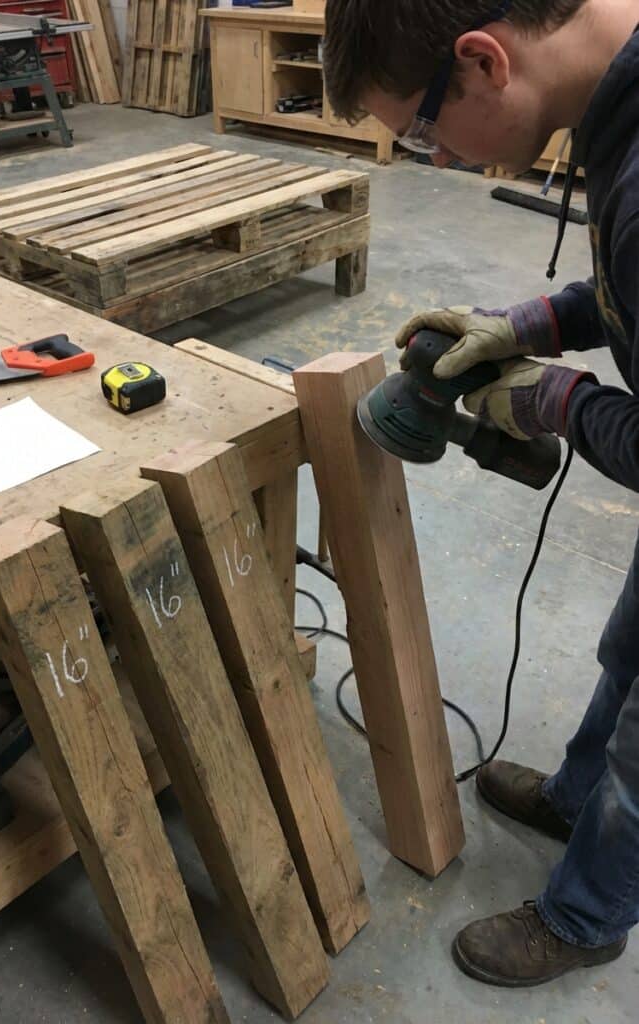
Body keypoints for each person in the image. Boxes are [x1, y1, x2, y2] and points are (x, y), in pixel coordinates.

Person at [323, 0, 639, 989]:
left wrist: (553, 401)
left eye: (421, 129)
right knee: (629, 646)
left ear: (481, 60)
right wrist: (533, 323)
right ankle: (573, 792)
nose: (436, 158)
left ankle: (588, 916)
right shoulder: (615, 107)